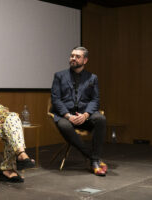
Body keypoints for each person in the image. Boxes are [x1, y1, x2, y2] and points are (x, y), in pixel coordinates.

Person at [51, 46, 107, 176]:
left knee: (101, 119)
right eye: (72, 56)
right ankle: (93, 159)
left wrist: (86, 114)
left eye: (77, 56)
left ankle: (95, 157)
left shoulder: (92, 78)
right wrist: (68, 115)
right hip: (66, 116)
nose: (73, 59)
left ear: (85, 60)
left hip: (84, 116)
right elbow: (56, 99)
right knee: (63, 125)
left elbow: (95, 100)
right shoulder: (59, 76)